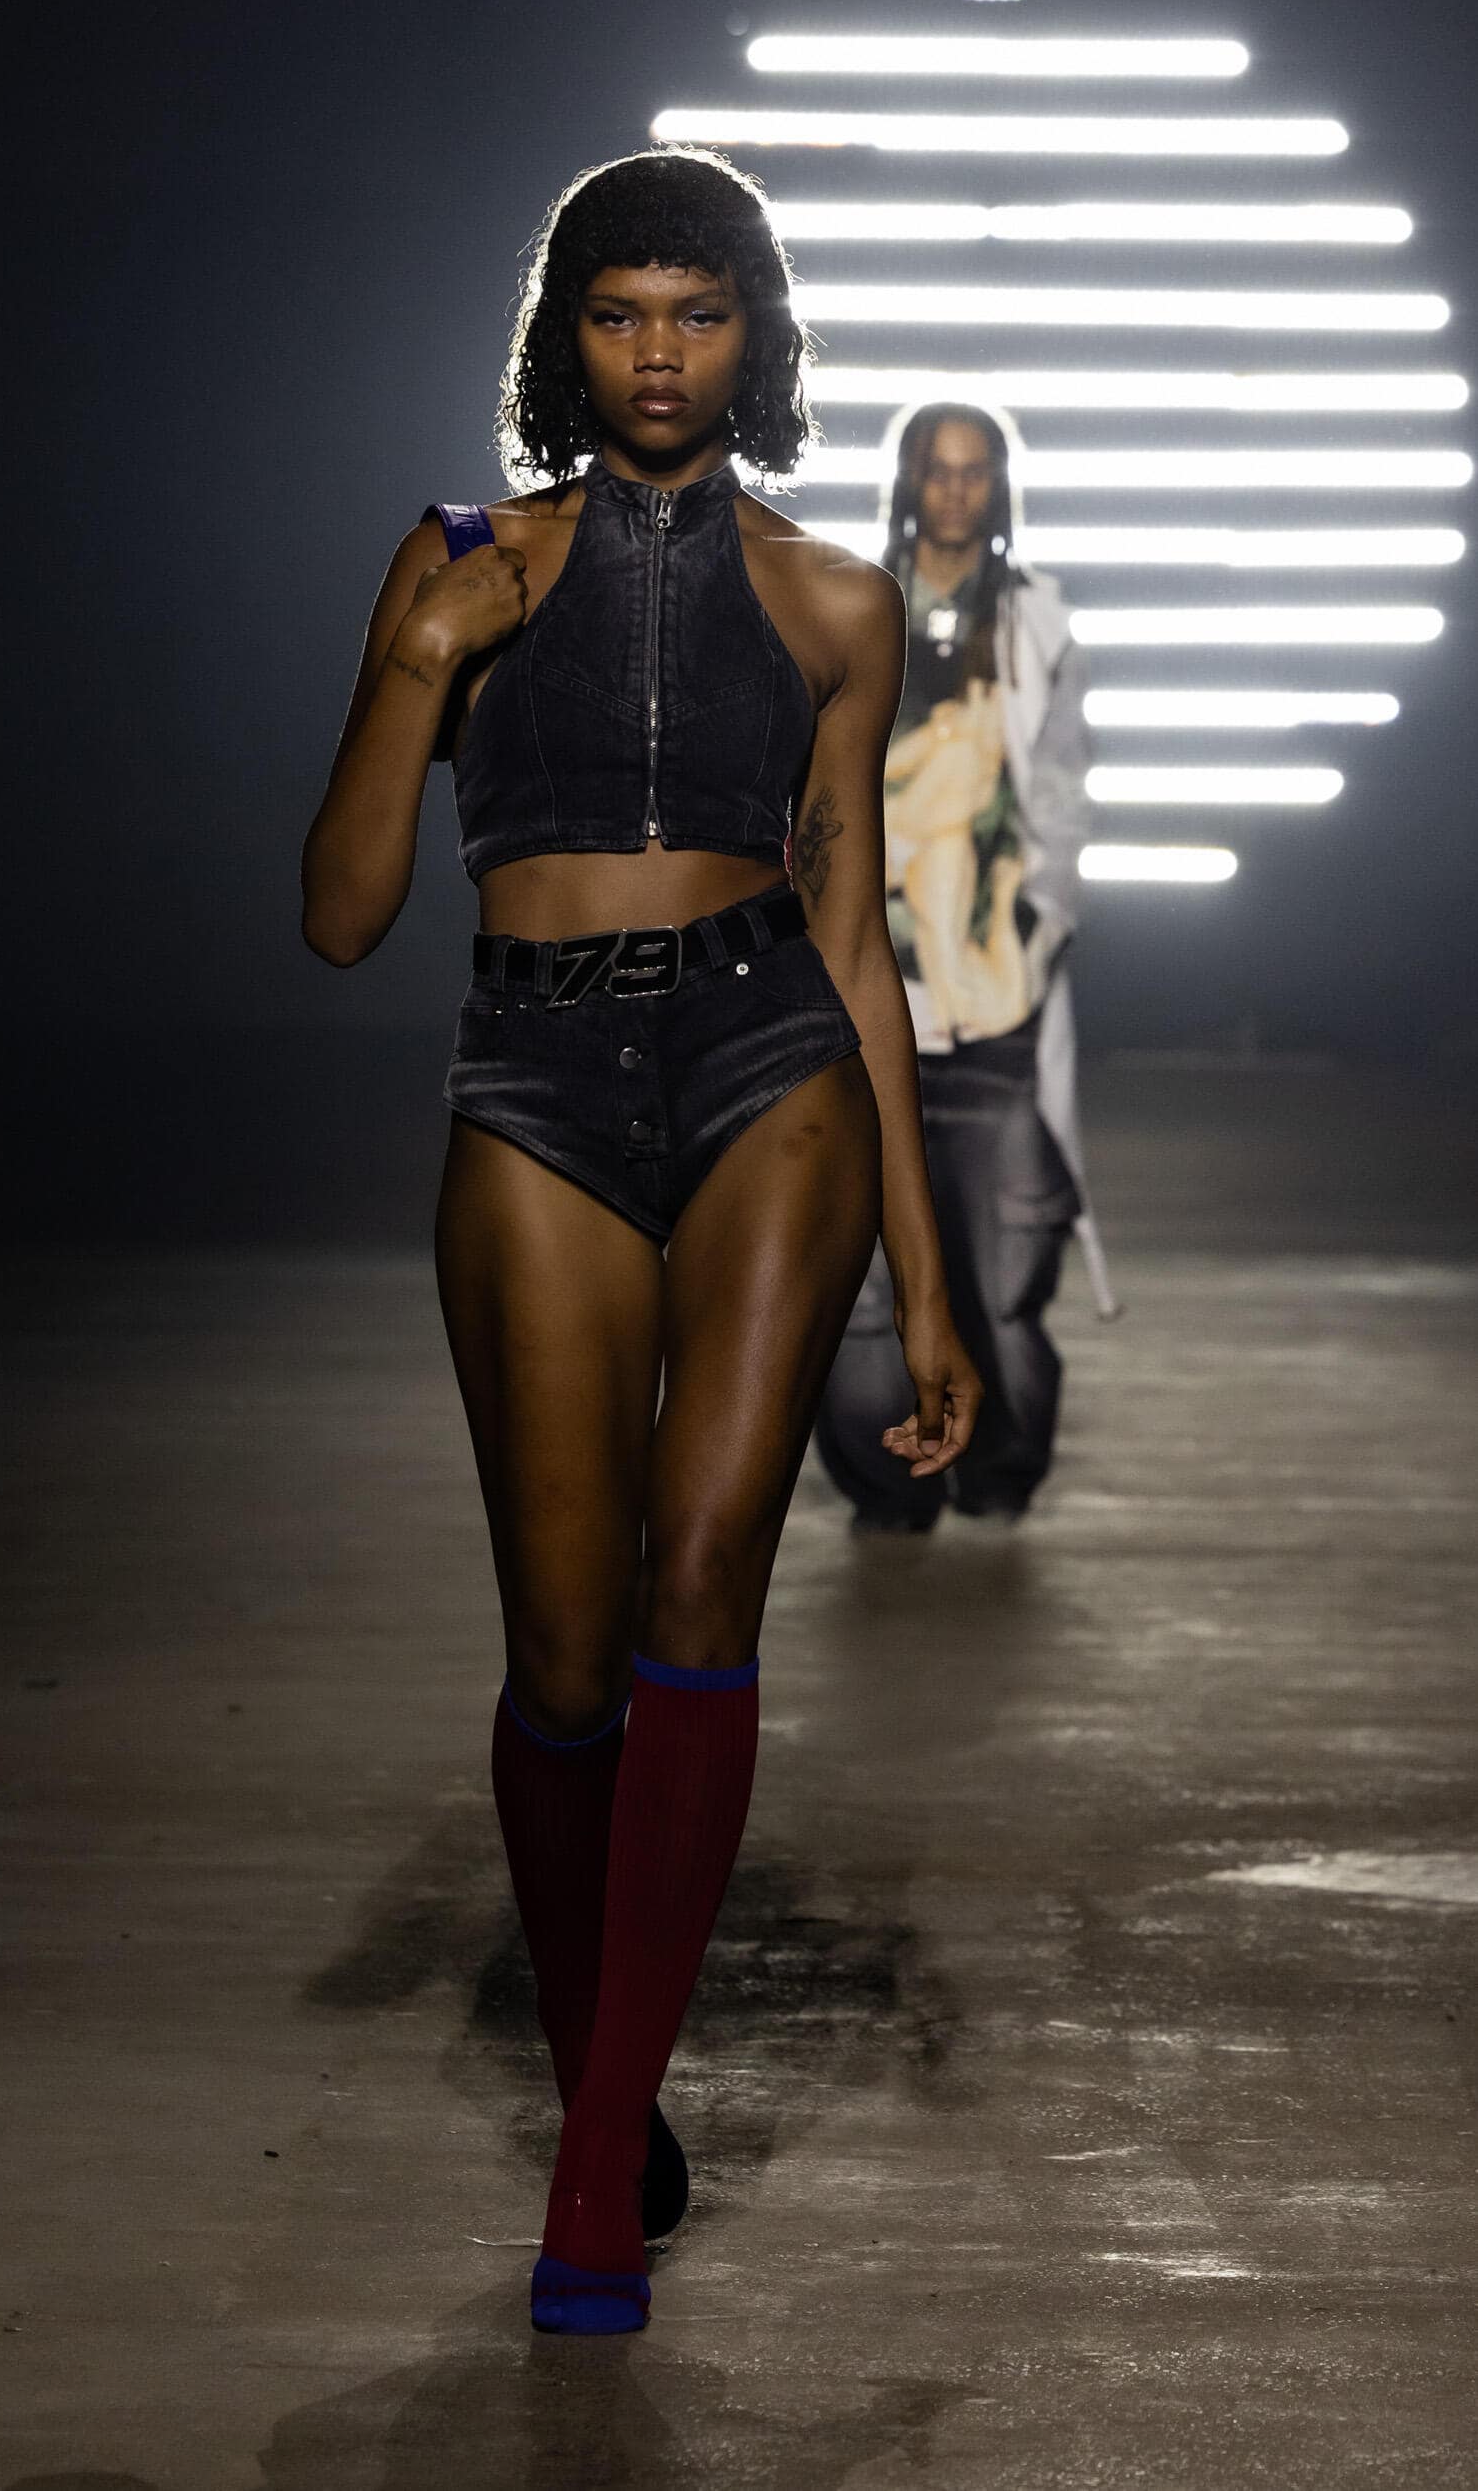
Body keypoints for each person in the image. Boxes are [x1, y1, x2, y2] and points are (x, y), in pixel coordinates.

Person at [299, 151, 981, 2335]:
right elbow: (339, 916)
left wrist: (928, 1279)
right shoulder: (461, 565)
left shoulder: (831, 605)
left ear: (753, 335)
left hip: (767, 1061)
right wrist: (415, 663)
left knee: (704, 1581)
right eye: (618, 313)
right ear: (564, 336)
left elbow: (859, 951)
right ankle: (606, 2064)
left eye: (698, 311)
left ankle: (597, 2161)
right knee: (567, 1652)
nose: (659, 352)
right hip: (529, 1081)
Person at [814, 400, 1115, 1534]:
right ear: (904, 480)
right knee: (853, 1272)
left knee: (1001, 1269)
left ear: (997, 485)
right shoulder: (845, 600)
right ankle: (886, 1483)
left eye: (973, 470)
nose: (952, 489)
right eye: (934, 469)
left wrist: (1041, 922)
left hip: (991, 993)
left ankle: (996, 1474)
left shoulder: (1036, 616)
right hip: (859, 984)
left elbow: (1059, 787)